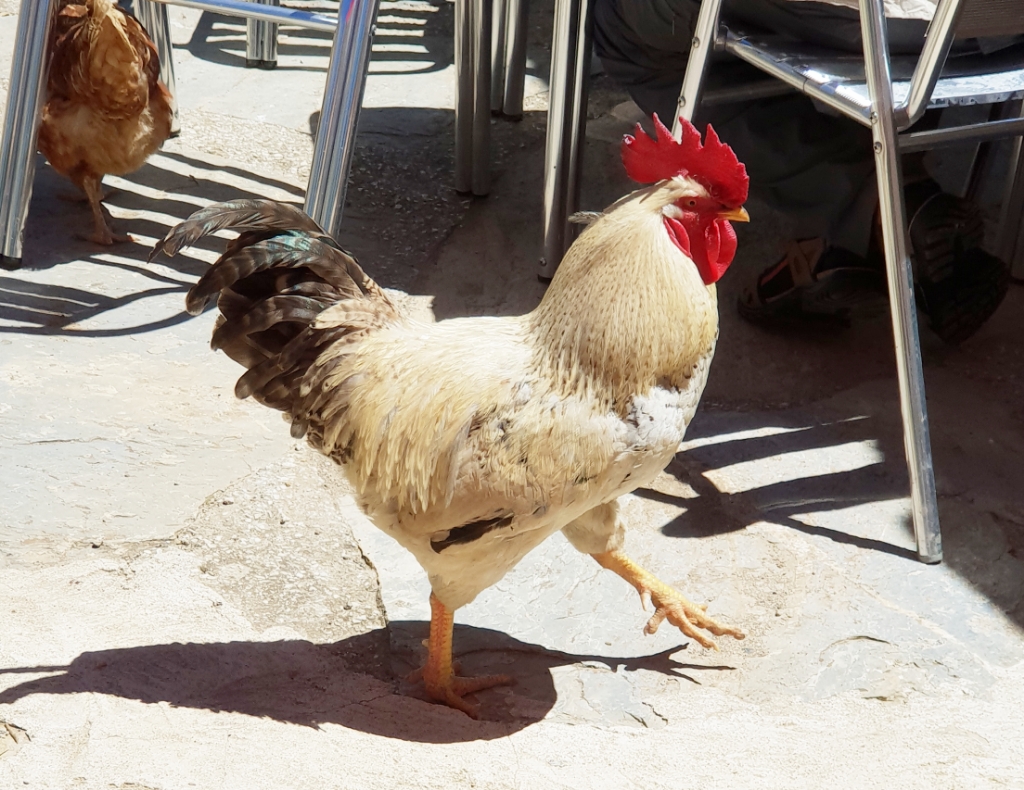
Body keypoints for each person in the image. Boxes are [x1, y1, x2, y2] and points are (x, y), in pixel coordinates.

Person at [593, 0, 1015, 343]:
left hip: (904, 18)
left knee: (621, 21)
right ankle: (882, 208)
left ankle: (878, 211)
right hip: (1001, 27)